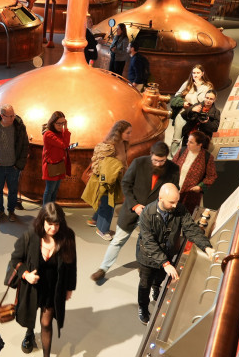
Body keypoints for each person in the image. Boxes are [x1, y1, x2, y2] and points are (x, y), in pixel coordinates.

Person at [90, 141, 179, 282]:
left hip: (153, 214)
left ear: (166, 157)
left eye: (161, 161)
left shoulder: (173, 169)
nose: (157, 164)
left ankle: (142, 267)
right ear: (150, 155)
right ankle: (103, 269)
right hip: (132, 210)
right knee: (118, 240)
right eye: (155, 160)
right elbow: (126, 184)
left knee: (145, 242)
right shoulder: (139, 163)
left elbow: (172, 190)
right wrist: (135, 205)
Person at [8, 202, 76, 357]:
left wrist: (69, 287)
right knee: (30, 313)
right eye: (49, 224)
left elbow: (71, 264)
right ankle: (29, 333)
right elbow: (15, 259)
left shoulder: (67, 237)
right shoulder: (31, 235)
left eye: (57, 224)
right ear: (42, 221)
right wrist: (26, 274)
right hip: (32, 286)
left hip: (53, 288)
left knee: (46, 323)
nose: (53, 228)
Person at [136, 183, 214, 324]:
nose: (175, 205)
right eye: (172, 202)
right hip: (147, 257)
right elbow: (149, 242)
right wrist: (165, 263)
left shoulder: (180, 209)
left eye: (177, 201)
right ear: (160, 198)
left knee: (160, 277)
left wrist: (206, 246)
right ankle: (142, 307)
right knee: (144, 284)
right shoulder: (147, 213)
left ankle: (156, 288)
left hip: (167, 253)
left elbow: (190, 229)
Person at [82, 120, 132, 240]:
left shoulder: (123, 143)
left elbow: (123, 162)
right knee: (109, 205)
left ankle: (94, 220)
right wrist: (108, 179)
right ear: (119, 133)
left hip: (116, 180)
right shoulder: (109, 147)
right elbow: (102, 166)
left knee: (106, 203)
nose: (130, 135)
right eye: (128, 133)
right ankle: (102, 230)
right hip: (108, 181)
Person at [0, 104, 29, 222]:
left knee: (13, 190)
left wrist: (19, 164)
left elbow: (24, 145)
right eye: (10, 116)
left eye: (13, 114)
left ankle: (11, 211)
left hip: (13, 167)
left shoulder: (19, 127)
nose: (13, 117)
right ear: (2, 116)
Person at [170, 65, 213, 156]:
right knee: (176, 139)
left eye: (198, 73)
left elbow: (205, 101)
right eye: (194, 73)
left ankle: (186, 159)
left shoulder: (207, 86)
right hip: (183, 113)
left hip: (195, 117)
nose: (195, 75)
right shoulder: (187, 84)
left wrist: (197, 89)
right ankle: (172, 159)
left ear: (202, 74)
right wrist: (182, 103)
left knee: (190, 140)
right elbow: (176, 97)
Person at [173, 131, 217, 214]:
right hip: (174, 190)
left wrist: (200, 187)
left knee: (184, 216)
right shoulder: (182, 151)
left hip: (190, 196)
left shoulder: (207, 157)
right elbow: (172, 165)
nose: (187, 144)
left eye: (191, 142)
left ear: (199, 145)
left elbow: (212, 176)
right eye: (188, 141)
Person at [42, 111, 71, 206]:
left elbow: (65, 145)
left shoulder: (60, 132)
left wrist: (64, 128)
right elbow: (64, 145)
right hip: (52, 166)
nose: (60, 126)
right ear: (52, 122)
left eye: (62, 123)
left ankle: (52, 209)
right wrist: (65, 129)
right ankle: (45, 212)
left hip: (59, 164)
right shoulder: (48, 134)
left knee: (55, 190)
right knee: (49, 190)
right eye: (58, 123)